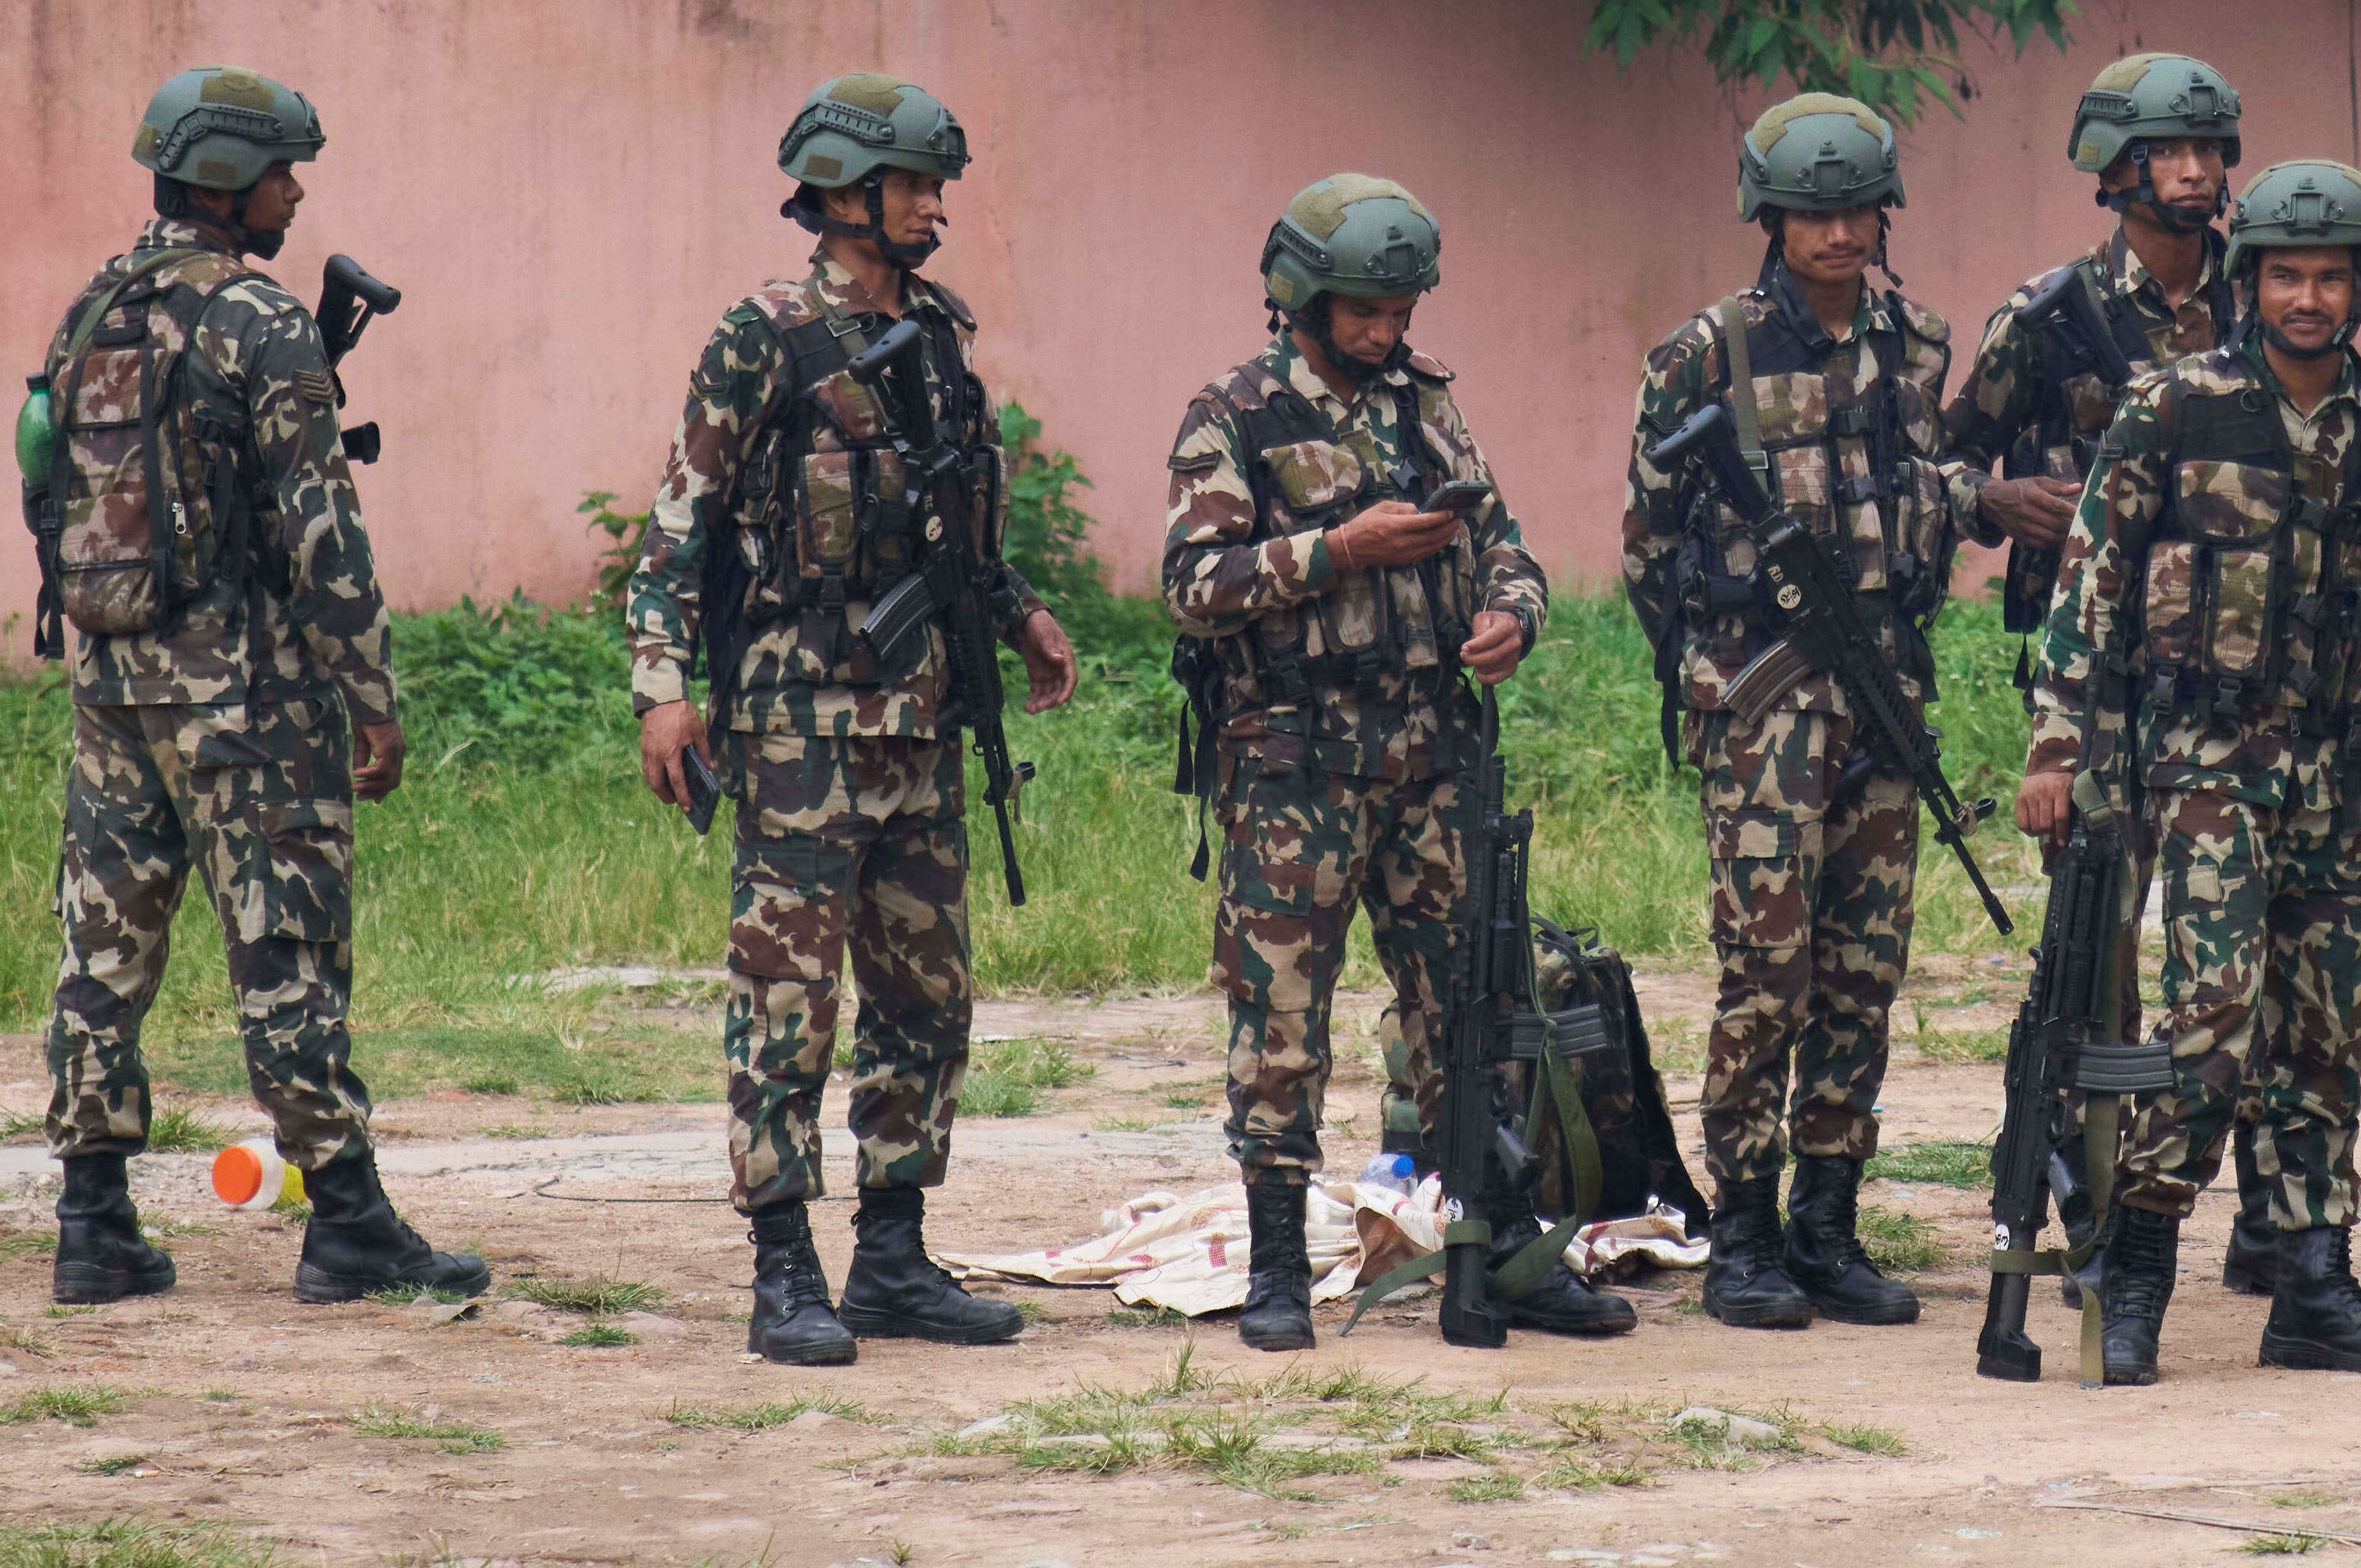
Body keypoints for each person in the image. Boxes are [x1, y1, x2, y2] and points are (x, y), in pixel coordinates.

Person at [624, 74, 1079, 1365]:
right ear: (843, 192)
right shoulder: (763, 336)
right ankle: (784, 1268)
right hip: (799, 726)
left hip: (923, 724)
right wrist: (665, 688)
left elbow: (959, 527)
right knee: (789, 998)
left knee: (926, 995)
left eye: (937, 184)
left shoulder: (939, 335)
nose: (936, 204)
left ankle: (890, 1255)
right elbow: (675, 530)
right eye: (916, 183)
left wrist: (1023, 612)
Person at [23, 68, 483, 1310]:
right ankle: (345, 1223)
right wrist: (371, 694)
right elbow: (323, 534)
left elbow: (46, 482)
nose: (296, 192)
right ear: (227, 177)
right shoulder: (260, 321)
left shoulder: (92, 311)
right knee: (286, 943)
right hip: (245, 696)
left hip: (112, 678)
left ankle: (93, 1223)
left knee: (103, 944)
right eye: (284, 170)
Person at [1162, 175, 1630, 1350]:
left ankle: (1502, 1246)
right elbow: (1192, 587)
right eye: (1366, 311)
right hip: (1298, 772)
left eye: (1402, 308)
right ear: (1303, 299)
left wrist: (1512, 617)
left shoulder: (1428, 403)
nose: (1388, 330)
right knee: (1281, 1020)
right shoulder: (1236, 413)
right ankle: (1277, 1266)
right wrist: (1338, 549)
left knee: (1473, 1009)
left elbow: (1504, 544)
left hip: (1434, 765)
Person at [2017, 160, 2361, 1387]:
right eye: (2286, 274)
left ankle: (2312, 1277)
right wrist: (2060, 749)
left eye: (2331, 275)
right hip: (2208, 764)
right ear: (2253, 280)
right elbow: (2091, 588)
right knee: (2215, 1019)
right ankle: (2139, 1257)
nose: (2309, 297)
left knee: (2325, 1032)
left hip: (2342, 773)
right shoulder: (2174, 405)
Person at [1621, 92, 1974, 1331]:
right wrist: (1720, 678)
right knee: (1767, 971)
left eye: (1856, 208)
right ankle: (1747, 1232)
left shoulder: (1920, 345)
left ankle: (1831, 1221)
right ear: (1768, 217)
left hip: (1884, 694)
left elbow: (1933, 490)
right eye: (1811, 212)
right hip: (1767, 711)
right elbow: (1648, 546)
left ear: (1885, 210)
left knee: (1864, 971)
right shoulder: (1703, 355)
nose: (1837, 232)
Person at [1944, 52, 2259, 1287]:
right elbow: (1935, 459)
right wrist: (1993, 501)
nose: (2195, 171)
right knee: (2099, 946)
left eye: (2210, 149)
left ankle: (2272, 1223)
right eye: (2169, 152)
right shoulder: (2047, 314)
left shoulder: (2270, 288)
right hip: (2096, 678)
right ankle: (2092, 1201)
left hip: (2234, 671)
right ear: (2114, 170)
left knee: (2238, 947)